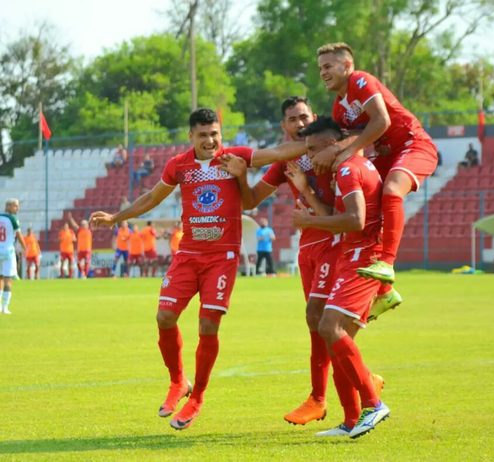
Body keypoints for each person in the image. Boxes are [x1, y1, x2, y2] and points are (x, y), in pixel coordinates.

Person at [90, 107, 308, 431]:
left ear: (222, 134)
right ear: (191, 135)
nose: (210, 140)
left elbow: (276, 152)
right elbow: (152, 197)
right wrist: (115, 218)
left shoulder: (236, 157)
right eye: (203, 135)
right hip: (189, 253)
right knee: (164, 317)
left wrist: (320, 142)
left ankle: (198, 397)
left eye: (215, 134)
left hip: (222, 257)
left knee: (208, 325)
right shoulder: (179, 165)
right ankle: (179, 381)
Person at [221, 97, 399, 427]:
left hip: (334, 239)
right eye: (292, 119)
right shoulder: (287, 161)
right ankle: (358, 386)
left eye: (304, 116)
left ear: (314, 118)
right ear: (284, 126)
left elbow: (347, 210)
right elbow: (250, 200)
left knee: (324, 321)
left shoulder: (333, 149)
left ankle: (326, 397)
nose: (299, 123)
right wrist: (241, 177)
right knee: (317, 322)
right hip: (309, 245)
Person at [291, 117, 390, 438]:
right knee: (329, 332)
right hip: (352, 258)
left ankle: (373, 404)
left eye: (313, 151)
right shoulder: (350, 167)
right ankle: (350, 420)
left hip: (364, 260)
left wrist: (307, 218)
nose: (309, 158)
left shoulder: (347, 170)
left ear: (332, 146)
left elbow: (356, 220)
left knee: (329, 328)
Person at [312, 42, 438, 284]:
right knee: (360, 201)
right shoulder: (338, 108)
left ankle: (387, 263)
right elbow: (350, 139)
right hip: (385, 155)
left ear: (347, 65)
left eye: (328, 66)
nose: (323, 73)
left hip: (413, 144)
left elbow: (381, 122)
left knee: (391, 190)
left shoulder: (361, 80)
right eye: (320, 68)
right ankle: (382, 291)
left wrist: (344, 151)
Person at [0, 199, 27, 314]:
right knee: (8, 280)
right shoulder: (13, 219)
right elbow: (19, 235)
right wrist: (25, 248)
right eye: (15, 206)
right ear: (9, 206)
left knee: (0, 278)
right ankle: (5, 307)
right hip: (8, 252)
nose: (17, 208)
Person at [68, 213, 93, 278]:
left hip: (87, 250)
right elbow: (75, 225)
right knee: (78, 263)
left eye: (84, 224)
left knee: (87, 262)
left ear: (87, 225)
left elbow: (95, 224)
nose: (83, 225)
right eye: (82, 224)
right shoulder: (80, 230)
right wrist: (71, 219)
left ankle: (85, 275)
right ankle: (82, 272)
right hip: (80, 250)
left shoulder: (89, 231)